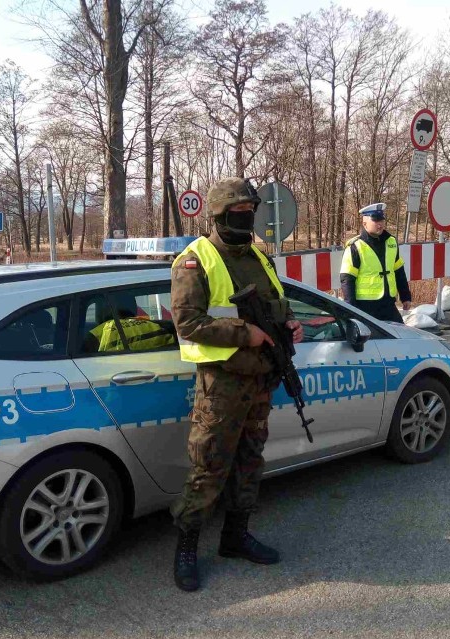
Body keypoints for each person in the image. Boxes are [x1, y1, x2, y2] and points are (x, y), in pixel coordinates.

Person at [168, 177, 304, 592]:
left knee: (250, 460)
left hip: (260, 378)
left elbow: (274, 306)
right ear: (219, 216)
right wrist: (247, 334)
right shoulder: (195, 259)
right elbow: (188, 322)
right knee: (209, 465)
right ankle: (187, 548)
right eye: (238, 215)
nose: (246, 221)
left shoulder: (261, 258)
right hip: (222, 383)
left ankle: (235, 536)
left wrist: (289, 324)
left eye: (250, 213)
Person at [339, 202, 412, 322]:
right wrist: (351, 308)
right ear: (365, 224)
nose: (380, 224)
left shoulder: (391, 242)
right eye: (376, 221)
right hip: (365, 307)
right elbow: (347, 279)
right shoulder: (355, 246)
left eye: (382, 221)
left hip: (388, 304)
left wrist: (405, 297)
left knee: (398, 336)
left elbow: (399, 271)